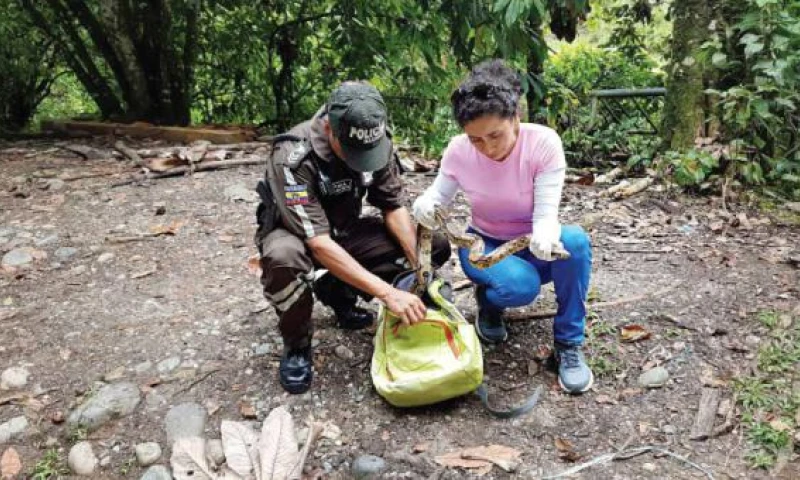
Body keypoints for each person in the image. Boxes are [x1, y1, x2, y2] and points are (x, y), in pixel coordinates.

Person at [255, 82, 451, 395]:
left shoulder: (375, 138)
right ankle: (297, 343)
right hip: (296, 237)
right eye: (352, 153)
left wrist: (421, 270)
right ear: (328, 128)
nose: (362, 159)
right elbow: (317, 242)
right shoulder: (292, 156)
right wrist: (389, 294)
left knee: (432, 247)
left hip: (345, 230)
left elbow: (393, 205)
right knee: (283, 259)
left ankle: (336, 290)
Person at [412, 60, 594, 394]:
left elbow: (546, 213)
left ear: (515, 118)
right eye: (476, 139)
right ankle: (490, 303)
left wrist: (544, 233)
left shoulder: (543, 143)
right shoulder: (458, 150)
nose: (487, 146)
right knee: (522, 287)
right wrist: (426, 205)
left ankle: (569, 343)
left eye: (495, 134)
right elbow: (438, 195)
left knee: (576, 242)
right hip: (483, 243)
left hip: (532, 240)